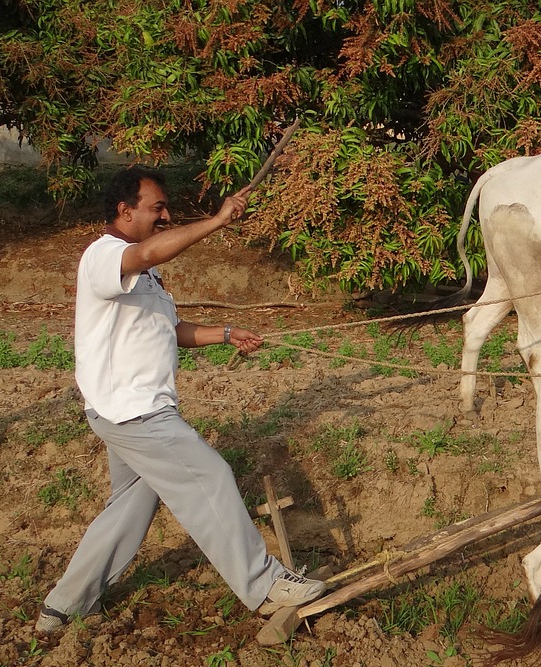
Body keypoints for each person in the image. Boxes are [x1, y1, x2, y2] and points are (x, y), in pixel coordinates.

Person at [35, 167, 325, 634]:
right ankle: (265, 585)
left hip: (130, 410)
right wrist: (217, 220)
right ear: (124, 211)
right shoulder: (103, 256)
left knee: (130, 505)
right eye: (157, 208)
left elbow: (168, 332)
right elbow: (146, 250)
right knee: (209, 475)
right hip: (134, 412)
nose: (165, 215)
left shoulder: (146, 275)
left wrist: (226, 333)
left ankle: (64, 606)